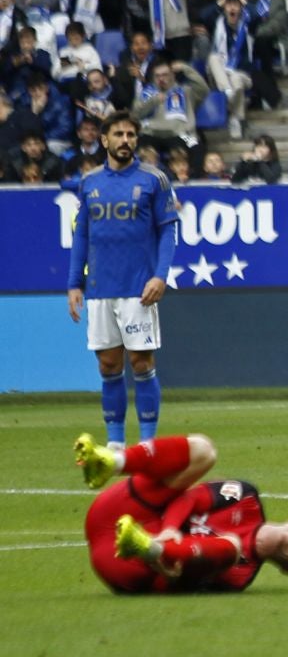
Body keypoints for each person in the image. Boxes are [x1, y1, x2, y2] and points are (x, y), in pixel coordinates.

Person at [71, 431, 288, 594]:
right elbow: (189, 496)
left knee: (232, 547)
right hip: (121, 509)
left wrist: (166, 571)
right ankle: (111, 461)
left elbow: (170, 583)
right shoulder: (246, 498)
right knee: (204, 450)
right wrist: (170, 530)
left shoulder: (239, 577)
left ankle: (146, 546)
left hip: (125, 563)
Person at [65, 113, 178, 449]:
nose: (125, 139)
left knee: (141, 361)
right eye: (118, 134)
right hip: (100, 288)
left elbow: (168, 230)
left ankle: (147, 443)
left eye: (130, 134)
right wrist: (75, 283)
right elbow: (82, 234)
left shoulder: (153, 180)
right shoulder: (89, 183)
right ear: (105, 140)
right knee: (108, 364)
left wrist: (160, 275)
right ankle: (115, 443)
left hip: (138, 288)